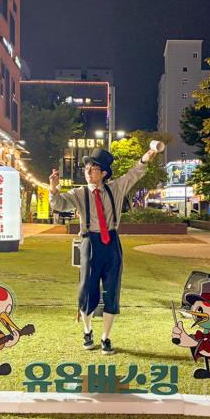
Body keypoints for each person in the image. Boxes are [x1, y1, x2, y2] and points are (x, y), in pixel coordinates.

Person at [49, 147, 158, 355]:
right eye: (87, 168)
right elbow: (59, 204)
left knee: (112, 291)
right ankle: (87, 331)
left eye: (93, 168)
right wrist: (53, 188)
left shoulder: (115, 189)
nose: (88, 172)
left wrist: (147, 156)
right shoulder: (80, 193)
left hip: (112, 243)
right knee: (87, 290)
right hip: (90, 242)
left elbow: (134, 173)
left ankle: (106, 337)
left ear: (104, 173)